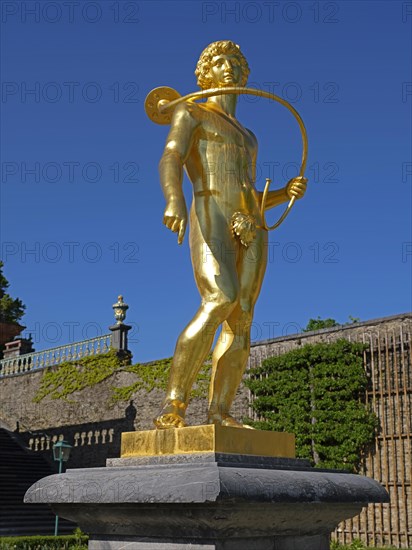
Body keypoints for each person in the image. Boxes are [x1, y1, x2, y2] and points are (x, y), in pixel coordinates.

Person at [154, 40, 307, 429]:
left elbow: (248, 193)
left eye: (235, 63)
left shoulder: (249, 136)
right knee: (220, 297)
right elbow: (171, 155)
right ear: (205, 72)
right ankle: (175, 403)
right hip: (210, 210)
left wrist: (281, 194)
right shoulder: (192, 112)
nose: (229, 68)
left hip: (249, 223)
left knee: (242, 317)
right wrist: (173, 199)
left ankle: (219, 412)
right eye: (219, 62)